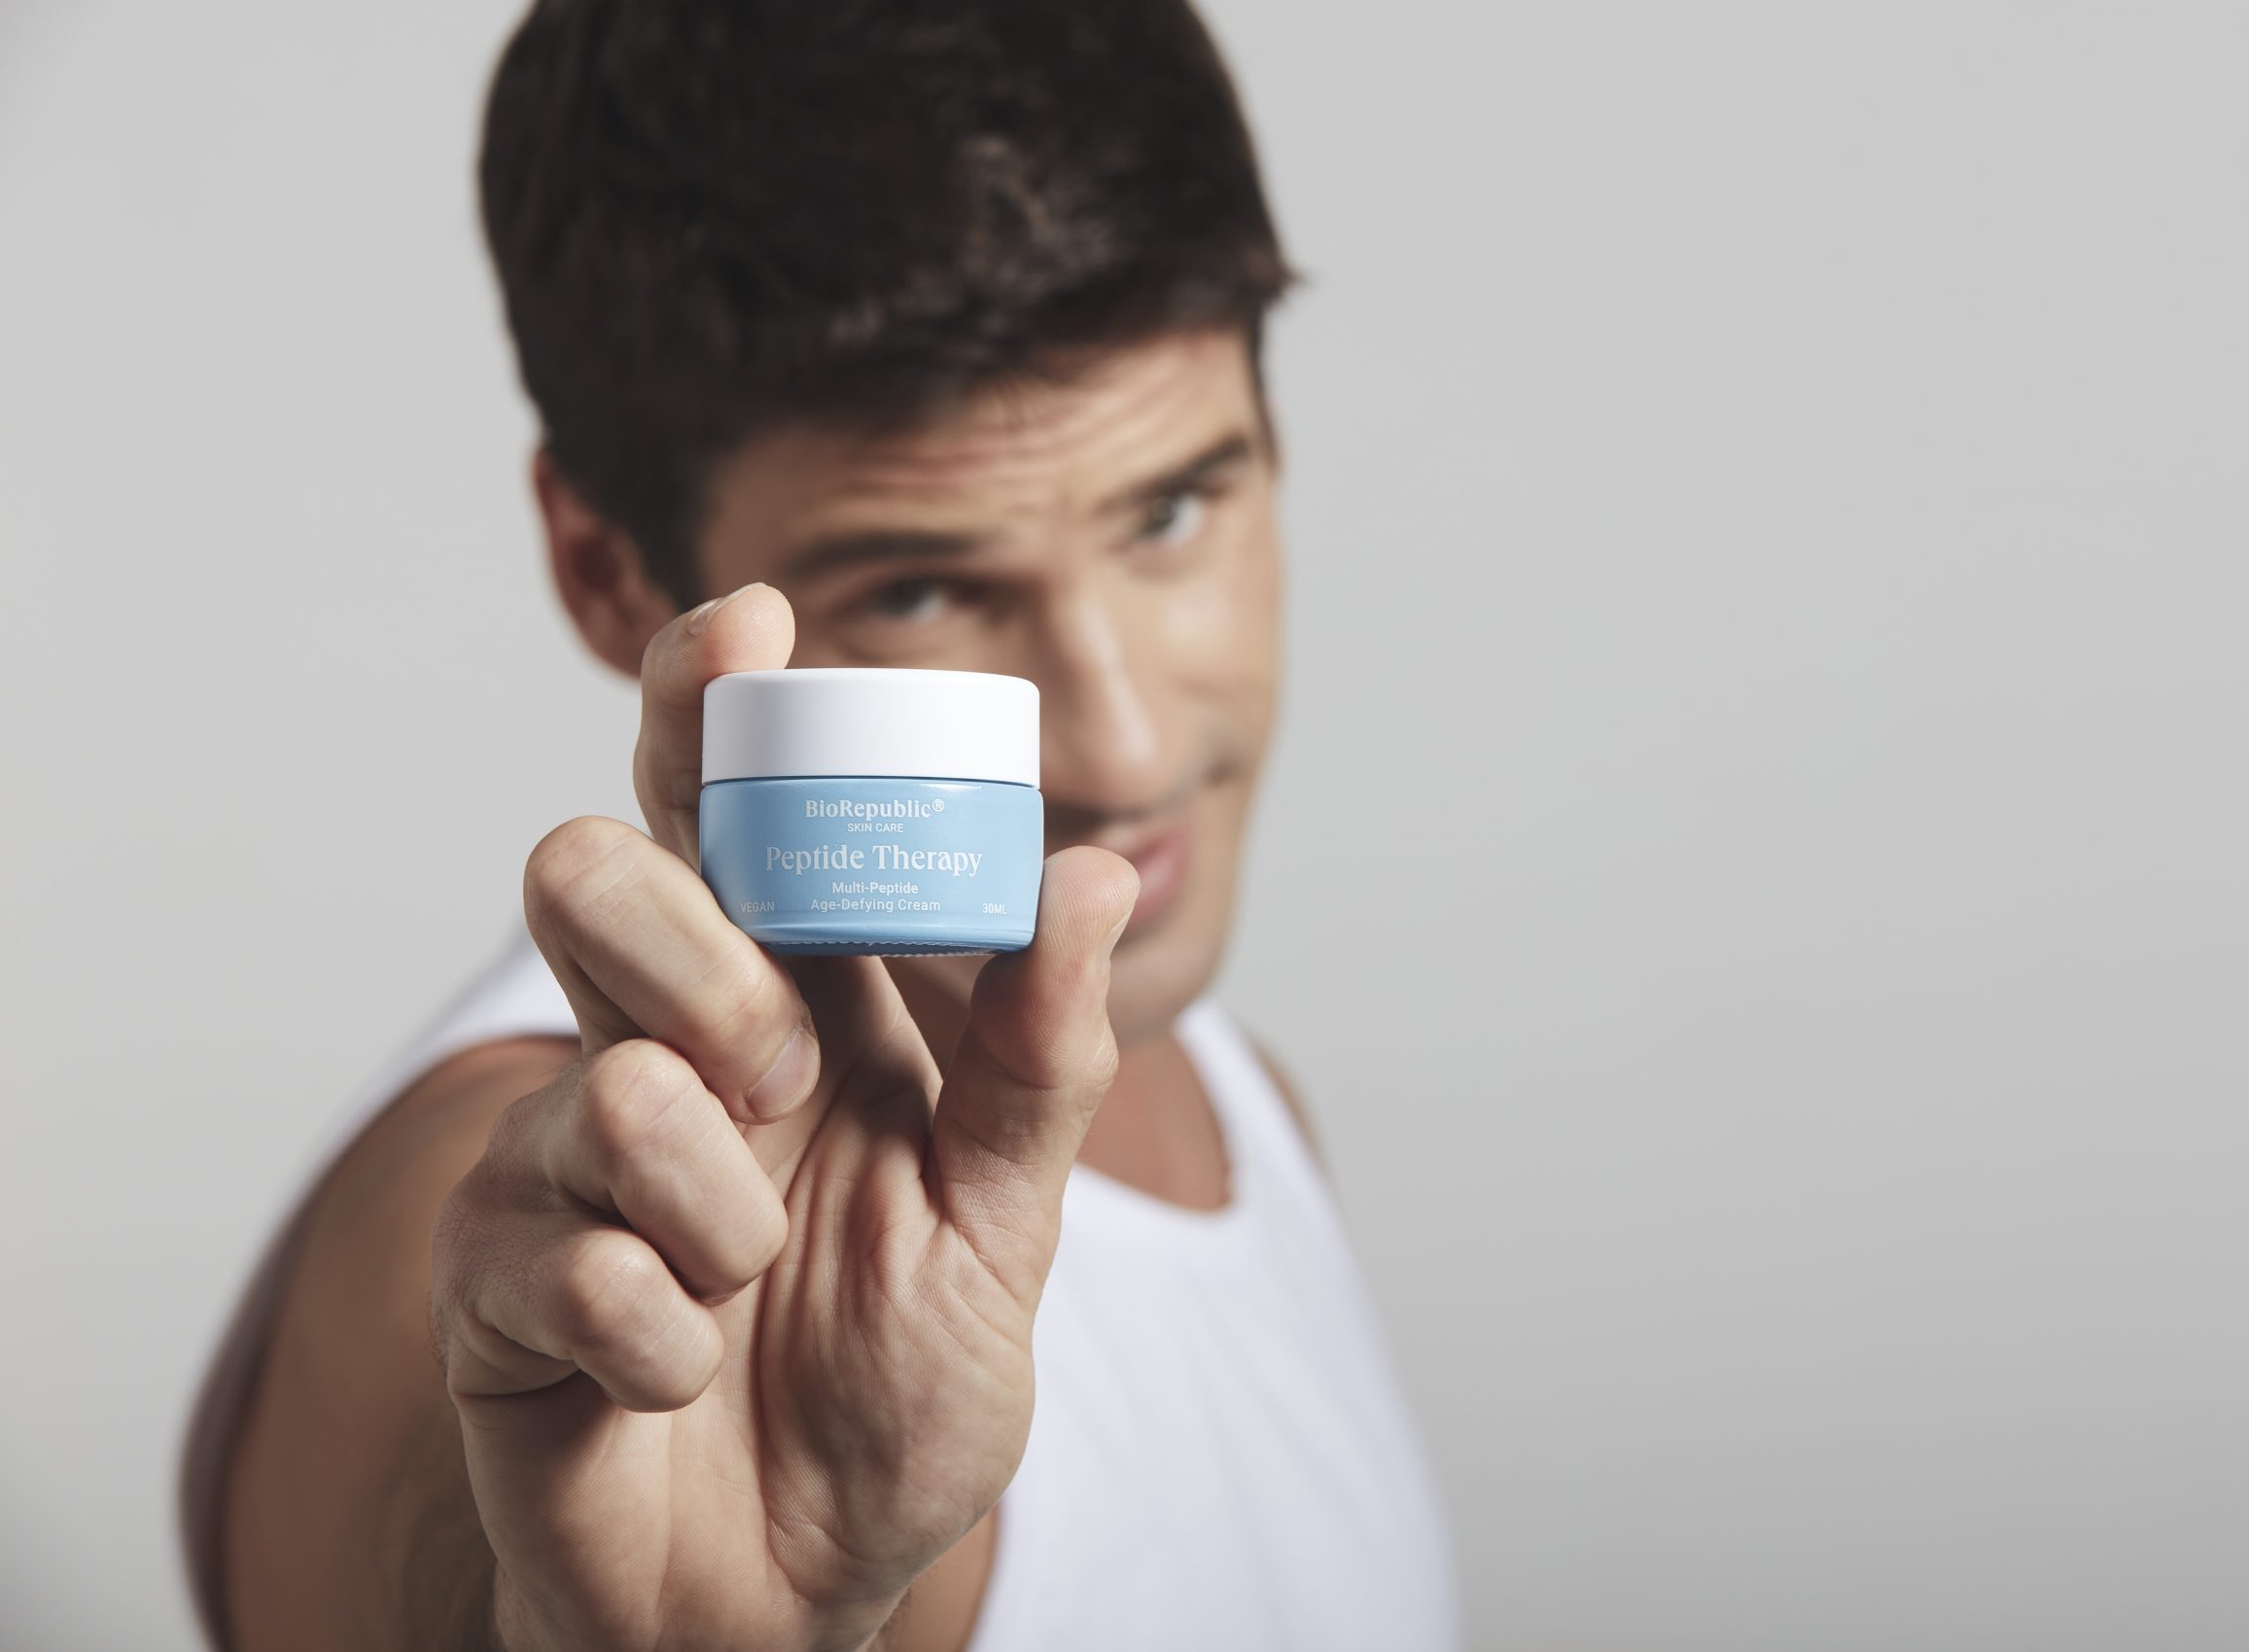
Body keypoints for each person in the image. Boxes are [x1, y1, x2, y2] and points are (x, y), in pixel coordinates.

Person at [179, 2, 1460, 1648]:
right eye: (920, 588)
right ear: (607, 573)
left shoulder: (1232, 1098)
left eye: (1170, 508)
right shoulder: (514, 1223)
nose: (1124, 743)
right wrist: (623, 1630)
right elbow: (466, 1510)